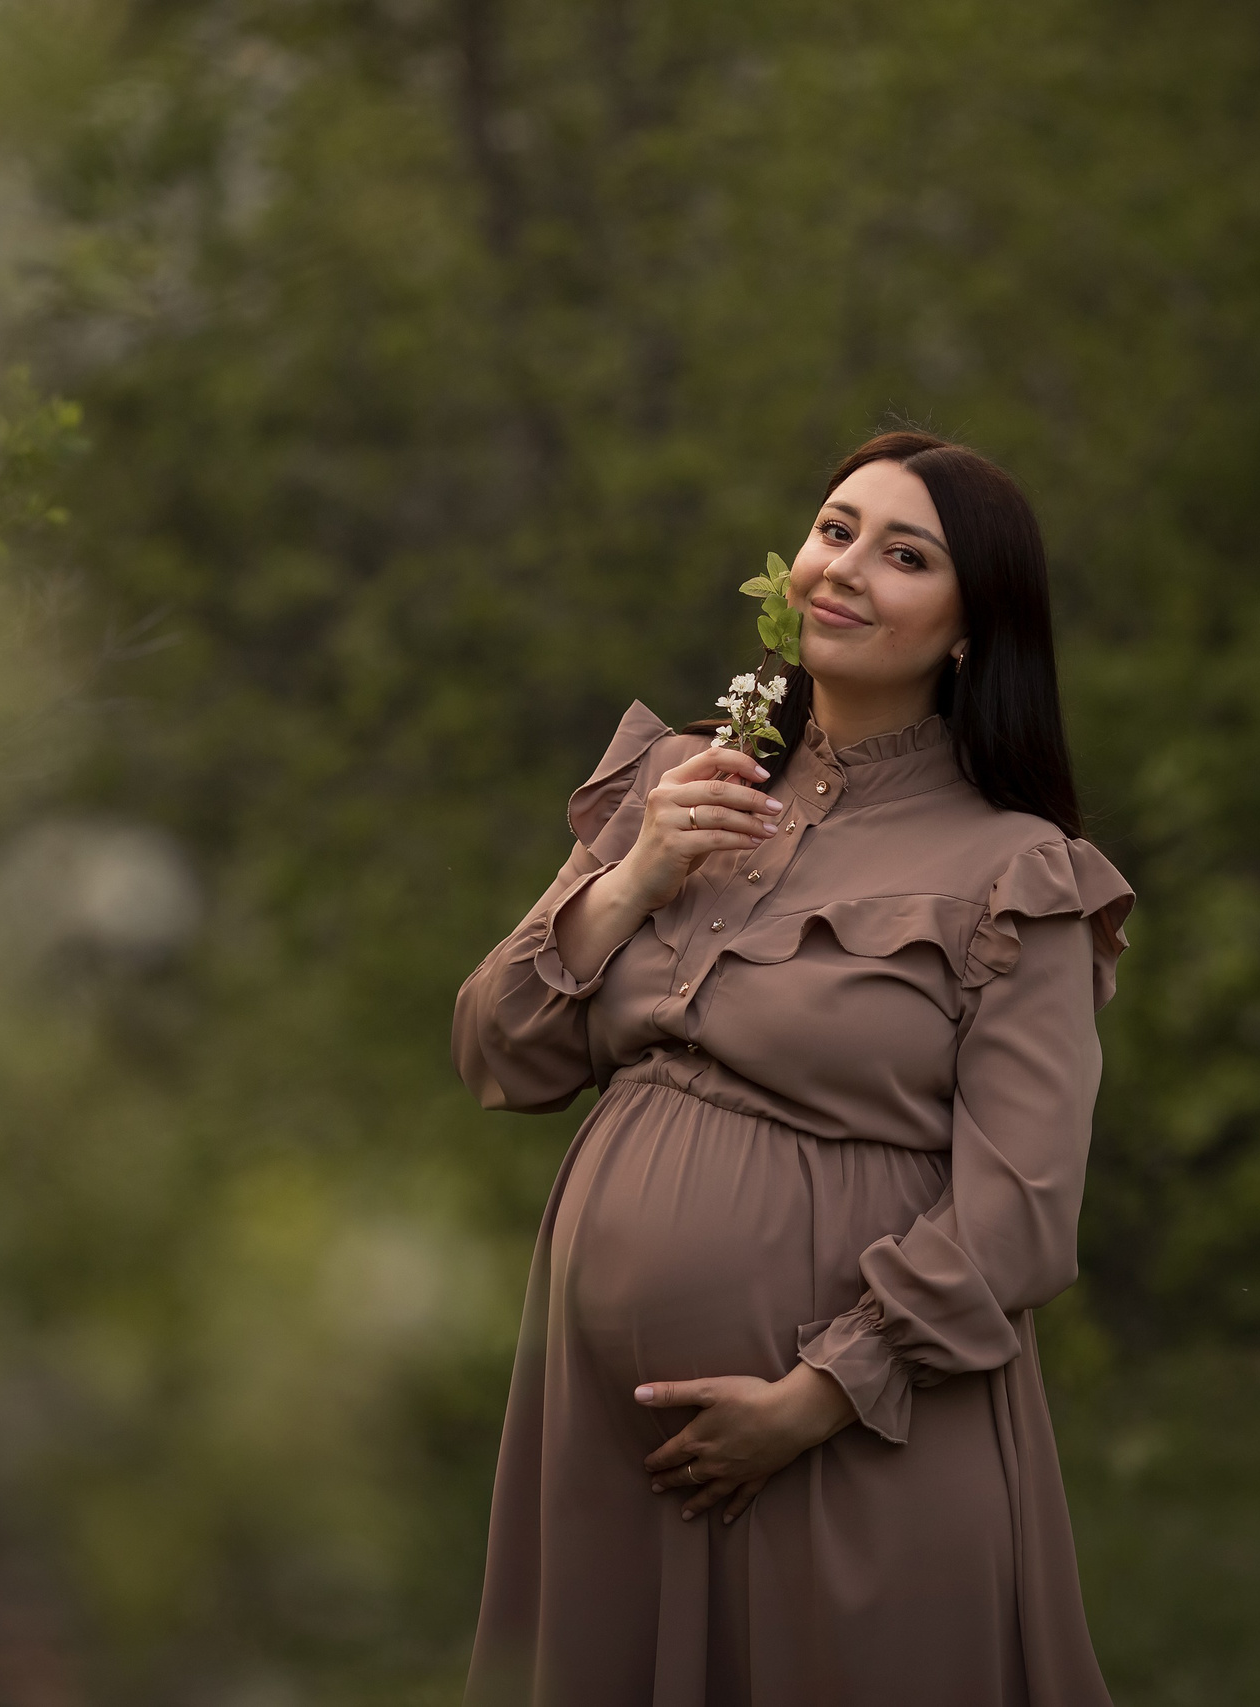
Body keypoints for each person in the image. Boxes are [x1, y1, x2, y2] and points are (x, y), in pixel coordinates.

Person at [452, 431, 1132, 1706]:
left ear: (971, 628)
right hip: (604, 1444)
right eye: (833, 531)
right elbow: (497, 1049)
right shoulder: (678, 787)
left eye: (904, 554)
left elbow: (1023, 1210)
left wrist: (819, 1394)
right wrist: (635, 876)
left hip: (856, 1438)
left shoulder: (1012, 867)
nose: (845, 568)